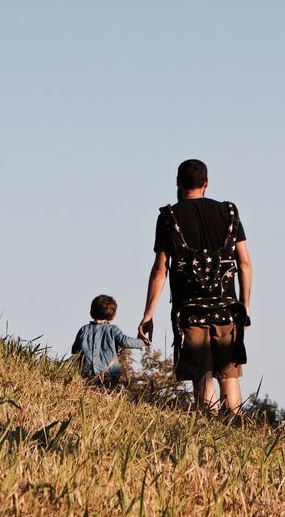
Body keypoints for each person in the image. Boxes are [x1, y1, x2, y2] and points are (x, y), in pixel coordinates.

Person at [138, 159, 252, 413]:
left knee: (202, 380)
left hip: (189, 313)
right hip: (227, 309)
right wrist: (244, 306)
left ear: (178, 183)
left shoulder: (169, 217)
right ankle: (235, 432)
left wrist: (148, 314)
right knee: (229, 379)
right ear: (206, 184)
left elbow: (160, 269)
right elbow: (244, 263)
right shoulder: (229, 213)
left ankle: (209, 435)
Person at [72, 294, 147, 385]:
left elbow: (74, 350)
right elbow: (125, 341)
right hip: (109, 373)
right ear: (113, 316)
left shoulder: (83, 329)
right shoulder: (113, 330)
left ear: (91, 313)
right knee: (107, 393)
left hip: (87, 373)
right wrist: (141, 342)